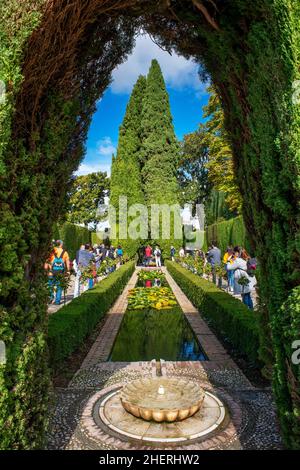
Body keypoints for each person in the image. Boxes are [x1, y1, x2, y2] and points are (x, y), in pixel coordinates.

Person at [48, 240, 70, 305]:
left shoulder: (52, 251)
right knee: (59, 287)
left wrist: (49, 268)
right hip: (60, 273)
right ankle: (57, 301)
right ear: (61, 245)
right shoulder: (65, 252)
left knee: (50, 286)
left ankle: (50, 298)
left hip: (51, 272)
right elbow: (67, 263)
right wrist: (68, 271)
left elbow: (48, 260)